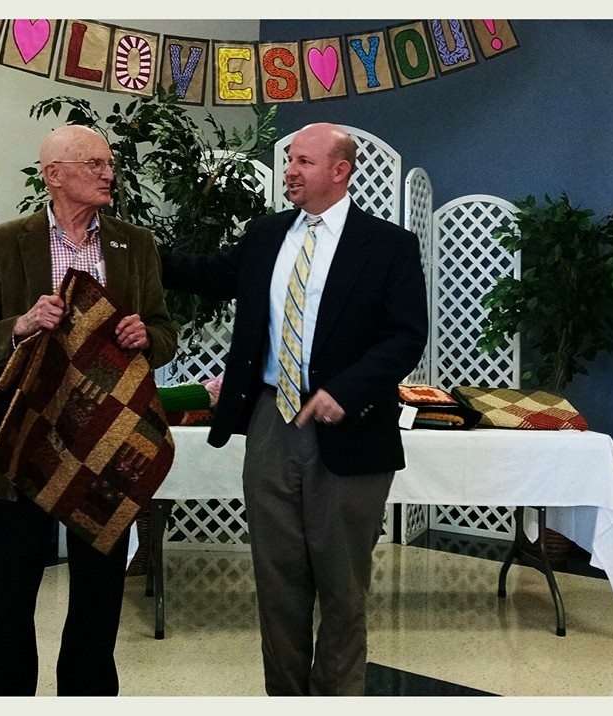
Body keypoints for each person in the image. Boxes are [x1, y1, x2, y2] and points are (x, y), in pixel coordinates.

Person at [161, 122, 428, 695]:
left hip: (349, 432)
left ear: (340, 170)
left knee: (341, 585)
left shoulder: (388, 246)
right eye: (289, 162)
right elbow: (208, 274)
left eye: (304, 162)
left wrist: (346, 391)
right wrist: (134, 248)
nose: (291, 172)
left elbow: (406, 337)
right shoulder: (266, 235)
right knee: (276, 580)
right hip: (269, 422)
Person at [0, 124, 177, 696]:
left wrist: (145, 335)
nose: (109, 173)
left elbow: (165, 333)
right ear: (54, 175)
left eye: (110, 164)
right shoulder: (3, 242)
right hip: (22, 444)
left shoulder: (136, 244)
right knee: (8, 602)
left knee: (100, 606)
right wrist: (22, 325)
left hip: (107, 453)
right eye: (95, 164)